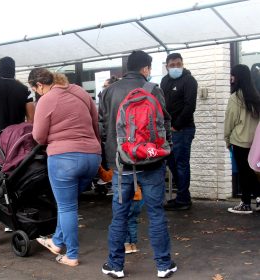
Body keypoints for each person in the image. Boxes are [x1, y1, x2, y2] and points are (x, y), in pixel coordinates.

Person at [99, 50, 176, 278]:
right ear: (145, 69)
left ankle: (115, 265)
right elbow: (165, 124)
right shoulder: (154, 90)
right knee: (156, 213)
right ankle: (163, 265)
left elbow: (102, 128)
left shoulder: (108, 91)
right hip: (151, 162)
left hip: (122, 164)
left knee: (119, 215)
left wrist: (111, 156)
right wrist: (165, 153)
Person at [29, 68, 101, 267]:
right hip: (92, 157)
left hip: (64, 158)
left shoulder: (46, 99)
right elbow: (95, 124)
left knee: (67, 206)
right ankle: (57, 241)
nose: (37, 93)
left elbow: (39, 136)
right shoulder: (80, 92)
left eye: (36, 90)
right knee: (67, 203)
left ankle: (72, 255)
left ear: (40, 85)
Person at [0, 56, 35, 228]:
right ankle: (12, 219)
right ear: (14, 69)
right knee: (15, 179)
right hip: (16, 142)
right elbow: (31, 119)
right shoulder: (25, 90)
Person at [161, 53, 198, 211]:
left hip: (183, 129)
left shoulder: (189, 80)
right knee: (171, 162)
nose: (176, 67)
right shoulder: (165, 81)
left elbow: (190, 106)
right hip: (168, 130)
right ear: (167, 66)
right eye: (172, 65)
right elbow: (161, 103)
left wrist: (176, 125)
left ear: (183, 64)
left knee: (181, 164)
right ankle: (183, 196)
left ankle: (183, 200)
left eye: (178, 64)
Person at [225, 64, 260, 214]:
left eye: (232, 75)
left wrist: (227, 138)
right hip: (255, 142)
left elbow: (230, 120)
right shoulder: (256, 96)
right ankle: (258, 200)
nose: (230, 78)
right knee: (253, 172)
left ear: (237, 77)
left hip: (239, 140)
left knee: (243, 172)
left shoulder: (235, 98)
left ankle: (245, 203)